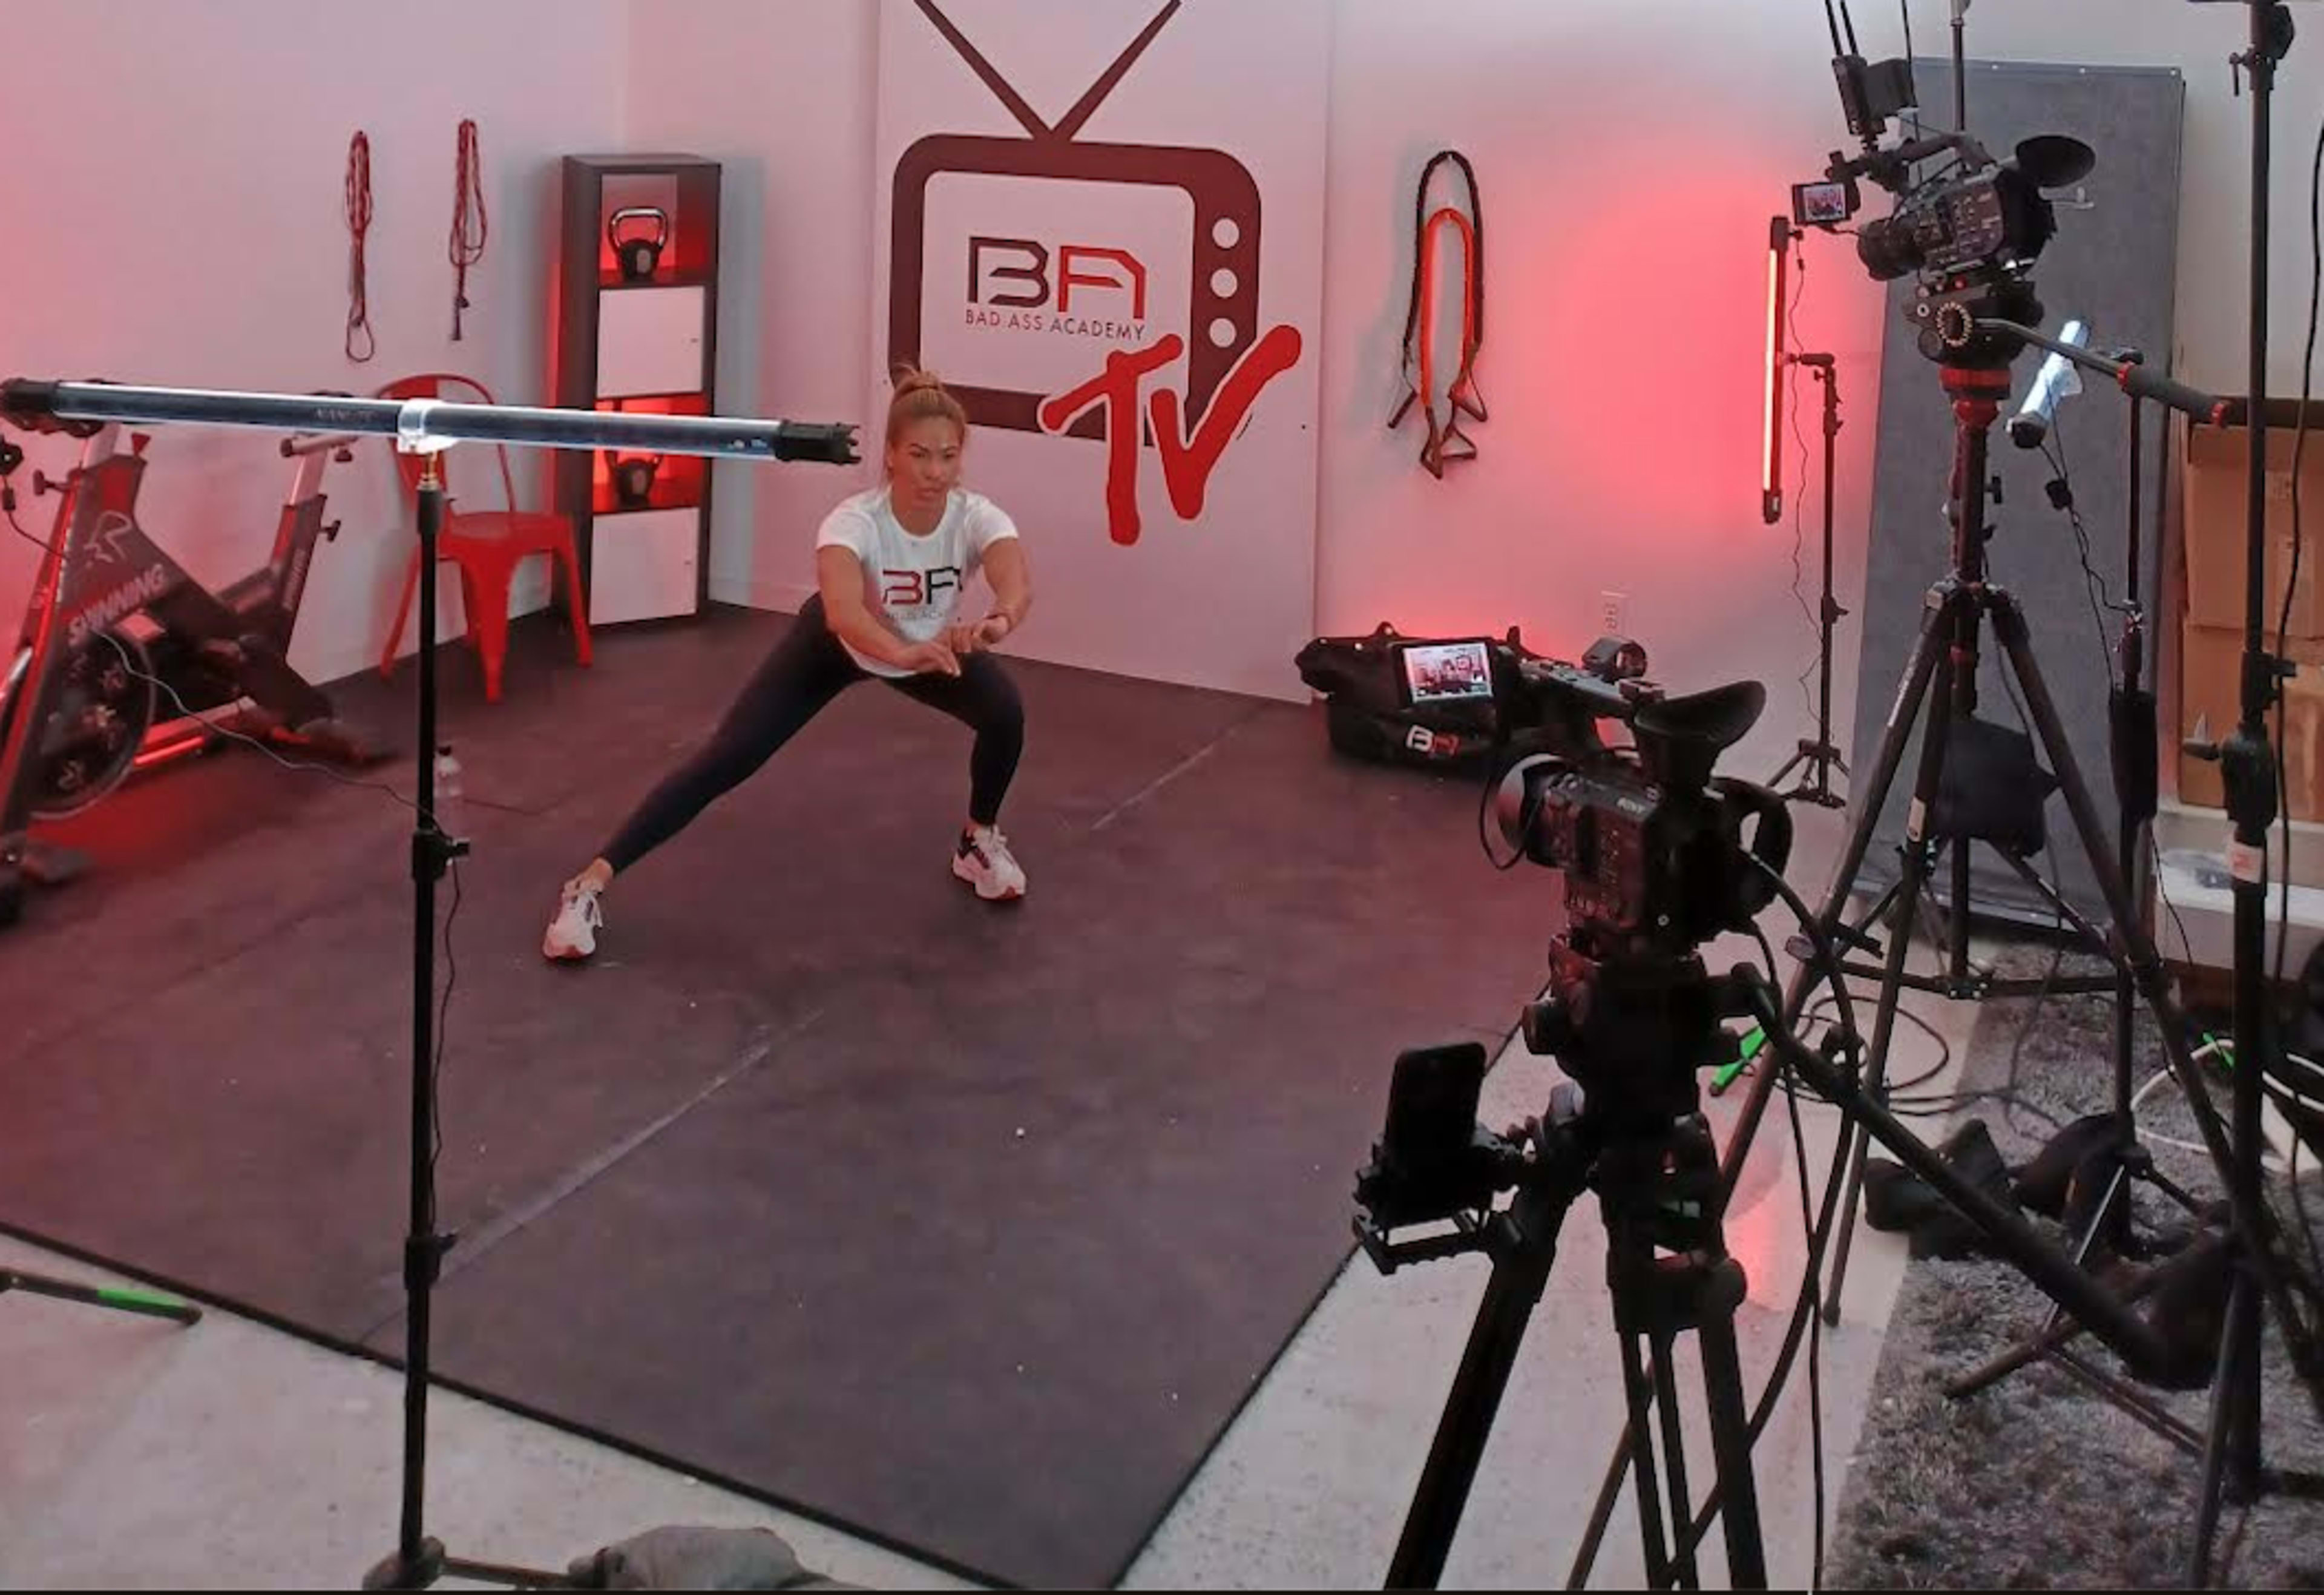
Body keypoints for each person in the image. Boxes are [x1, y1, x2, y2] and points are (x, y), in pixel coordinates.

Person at [543, 367, 1033, 962]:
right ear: (890, 455)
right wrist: (903, 652)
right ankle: (588, 884)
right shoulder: (854, 522)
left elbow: (1013, 580)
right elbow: (845, 615)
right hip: (835, 646)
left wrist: (996, 622)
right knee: (729, 756)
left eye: (948, 456)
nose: (935, 471)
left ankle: (977, 840)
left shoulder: (977, 516)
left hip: (925, 649)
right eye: (919, 454)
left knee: (1005, 713)